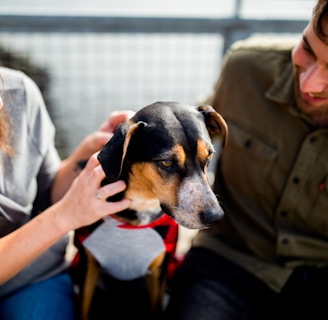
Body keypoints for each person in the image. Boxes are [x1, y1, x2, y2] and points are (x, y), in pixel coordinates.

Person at [164, 0, 328, 319]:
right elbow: (192, 136)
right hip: (227, 263)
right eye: (307, 49)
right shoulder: (245, 67)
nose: (309, 83)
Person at [0, 66, 132, 319]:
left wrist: (86, 154)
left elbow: (47, 191)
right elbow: (59, 212)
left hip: (34, 277)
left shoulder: (19, 92)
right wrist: (64, 217)